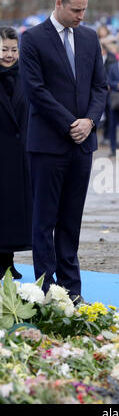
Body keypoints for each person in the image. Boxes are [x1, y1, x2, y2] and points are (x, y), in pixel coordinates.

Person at [19, 0, 108, 304]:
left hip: (82, 145)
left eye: (84, 9)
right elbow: (35, 90)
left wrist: (90, 121)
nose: (81, 16)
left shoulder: (89, 37)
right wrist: (70, 123)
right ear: (58, 4)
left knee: (71, 221)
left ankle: (73, 289)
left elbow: (101, 86)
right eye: (76, 9)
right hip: (47, 145)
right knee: (44, 221)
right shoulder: (32, 39)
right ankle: (47, 290)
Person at [0, 26, 32, 280]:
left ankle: (9, 262)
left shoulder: (26, 75)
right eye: (3, 49)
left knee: (15, 210)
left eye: (13, 50)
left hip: (20, 152)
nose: (9, 55)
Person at [100, 41, 117, 145]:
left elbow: (113, 73)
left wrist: (109, 84)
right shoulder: (94, 57)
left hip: (110, 91)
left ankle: (109, 136)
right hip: (99, 91)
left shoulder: (112, 59)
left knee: (110, 116)